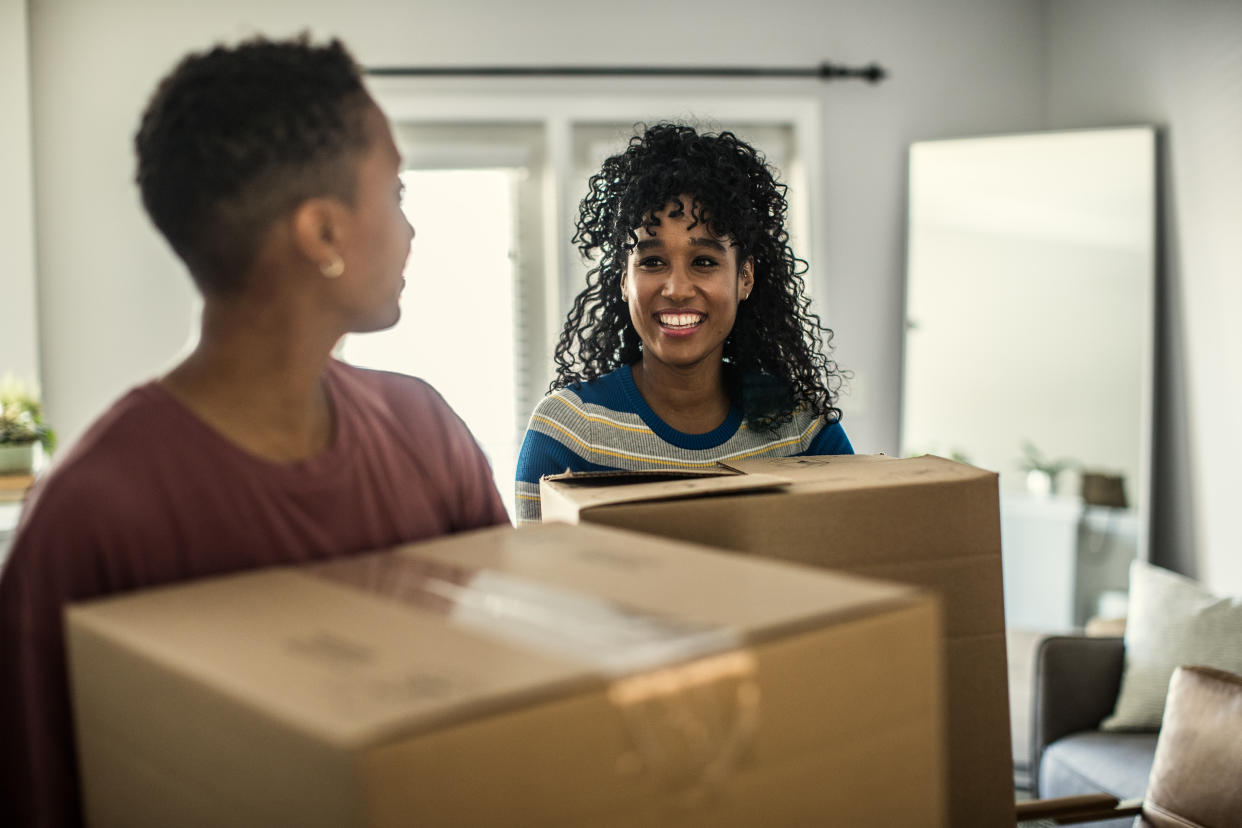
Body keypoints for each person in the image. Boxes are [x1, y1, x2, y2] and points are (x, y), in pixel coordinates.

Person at [0, 36, 508, 827]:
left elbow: (524, 702)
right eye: (397, 192)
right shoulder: (90, 519)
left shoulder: (428, 434)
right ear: (324, 234)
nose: (411, 231)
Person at [515, 123, 852, 524]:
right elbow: (538, 582)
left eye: (704, 262)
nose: (676, 289)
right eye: (652, 261)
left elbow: (854, 558)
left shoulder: (800, 427)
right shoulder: (569, 432)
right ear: (624, 280)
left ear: (745, 278)